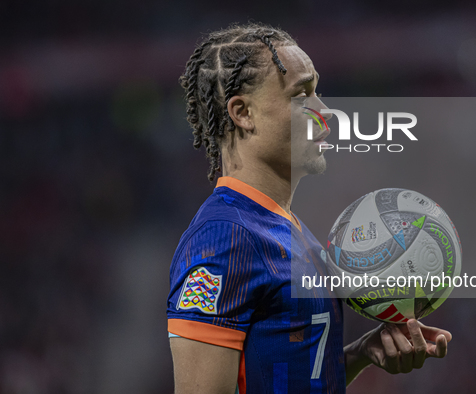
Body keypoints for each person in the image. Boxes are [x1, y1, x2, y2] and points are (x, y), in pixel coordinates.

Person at [167, 22, 452, 394]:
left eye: (318, 92)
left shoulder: (291, 230)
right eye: (302, 96)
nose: (325, 111)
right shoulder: (224, 239)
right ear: (243, 113)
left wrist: (360, 354)